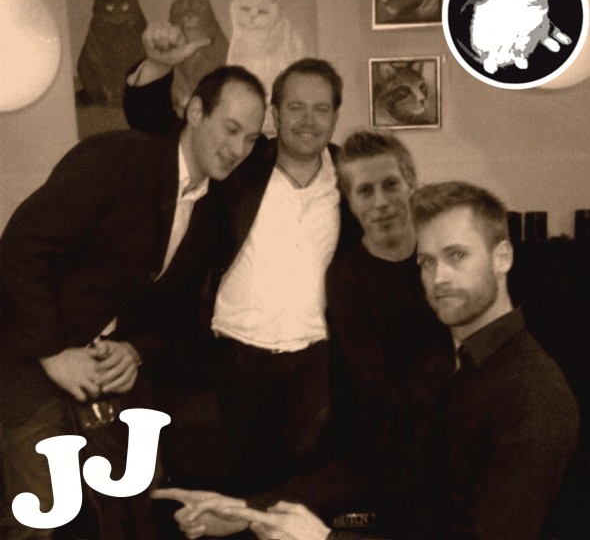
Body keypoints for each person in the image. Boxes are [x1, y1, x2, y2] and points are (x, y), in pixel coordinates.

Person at [164, 181, 580, 540]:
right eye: (427, 262)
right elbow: (371, 467)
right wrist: (246, 509)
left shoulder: (534, 395)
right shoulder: (437, 364)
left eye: (457, 256)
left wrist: (326, 539)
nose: (438, 278)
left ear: (502, 257)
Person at [0, 65, 266, 540]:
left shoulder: (218, 207)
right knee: (39, 515)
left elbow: (177, 313)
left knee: (134, 508)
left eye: (250, 138)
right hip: (29, 359)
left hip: (109, 377)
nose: (238, 148)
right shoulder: (115, 158)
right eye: (230, 129)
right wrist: (53, 354)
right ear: (195, 111)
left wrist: (136, 350)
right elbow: (21, 248)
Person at [151, 132, 448, 538]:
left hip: (455, 448)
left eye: (390, 185)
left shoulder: (443, 259)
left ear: (410, 181)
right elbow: (375, 419)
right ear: (348, 199)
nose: (380, 202)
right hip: (387, 458)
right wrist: (247, 510)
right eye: (365, 191)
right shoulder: (346, 279)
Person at [124, 26, 362, 502]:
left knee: (308, 489)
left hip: (315, 362)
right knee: (245, 488)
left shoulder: (352, 179)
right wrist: (157, 68)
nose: (308, 120)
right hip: (238, 359)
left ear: (336, 116)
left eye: (321, 109)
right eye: (295, 107)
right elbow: (158, 129)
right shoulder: (239, 168)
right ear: (275, 113)